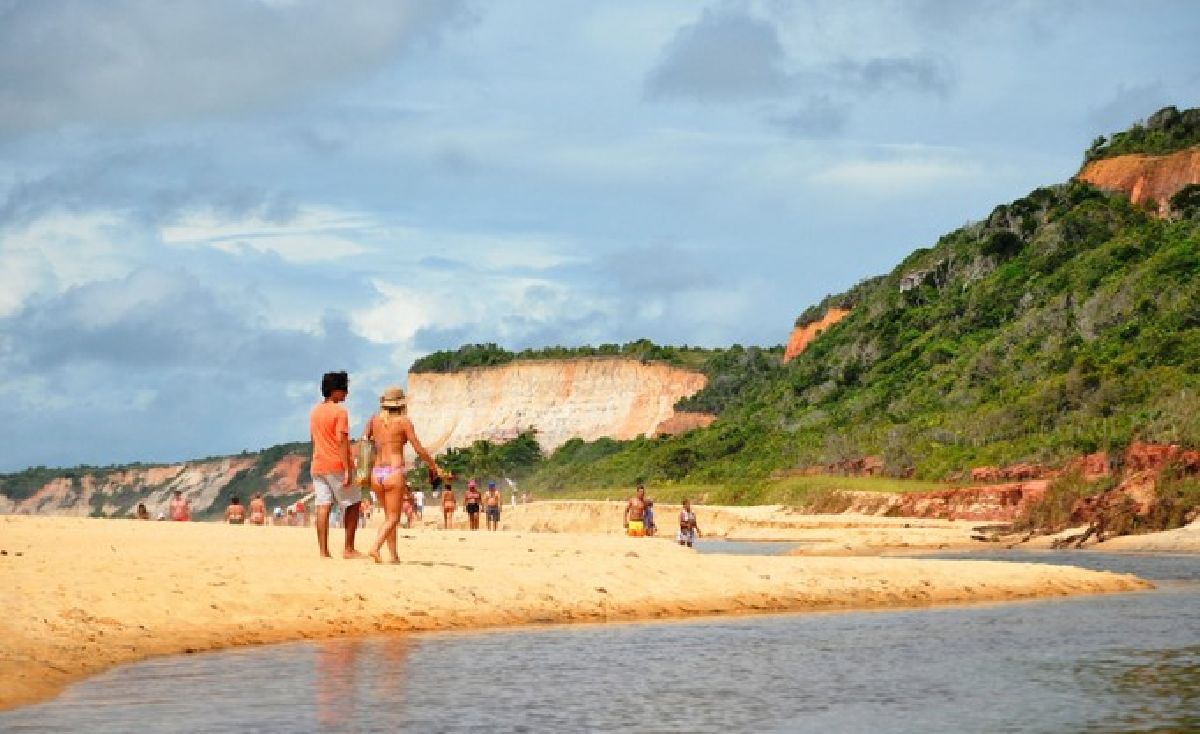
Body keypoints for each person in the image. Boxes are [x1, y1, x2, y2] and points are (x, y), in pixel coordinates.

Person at [362, 386, 441, 563]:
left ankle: (393, 556)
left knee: (389, 517)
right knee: (394, 518)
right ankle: (375, 547)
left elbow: (364, 443)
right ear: (401, 404)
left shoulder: (374, 421)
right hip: (394, 472)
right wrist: (432, 465)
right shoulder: (404, 422)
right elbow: (418, 447)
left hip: (376, 473)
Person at [309, 371, 362, 559]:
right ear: (335, 391)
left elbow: (313, 440)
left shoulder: (314, 411)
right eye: (344, 389)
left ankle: (323, 551)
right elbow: (341, 440)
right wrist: (347, 468)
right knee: (354, 504)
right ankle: (348, 548)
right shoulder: (340, 412)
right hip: (336, 464)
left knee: (323, 505)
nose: (346, 394)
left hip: (318, 464)